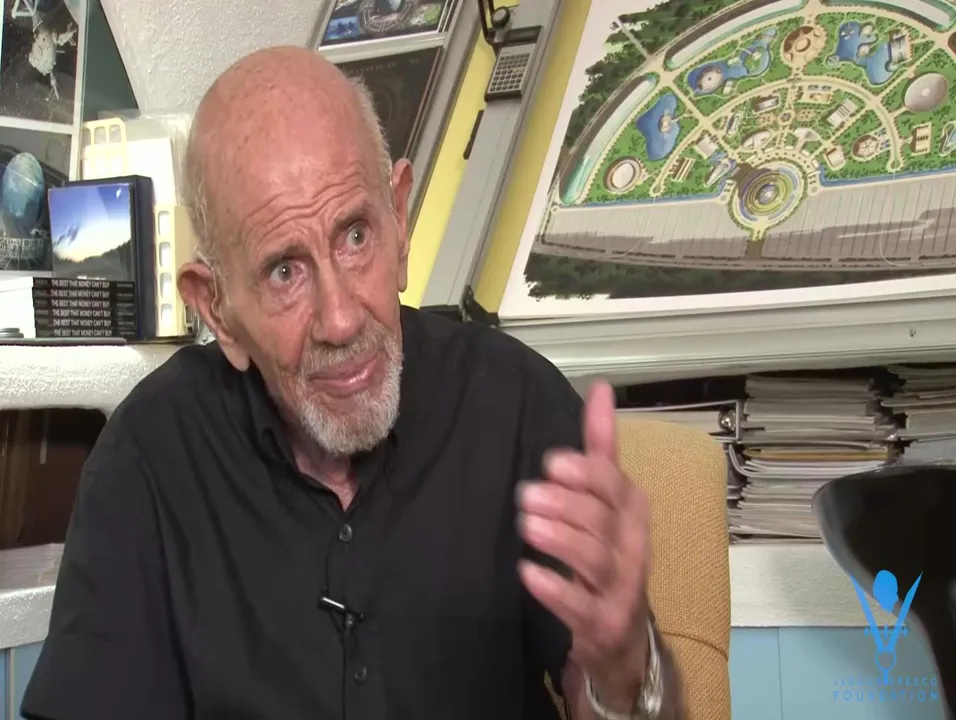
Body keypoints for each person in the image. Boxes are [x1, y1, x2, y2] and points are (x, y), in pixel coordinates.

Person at [21, 47, 683, 719]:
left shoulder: (515, 406)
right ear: (216, 308)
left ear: (400, 218)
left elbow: (619, 698)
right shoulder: (148, 459)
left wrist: (622, 674)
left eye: (356, 236)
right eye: (285, 271)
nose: (340, 320)